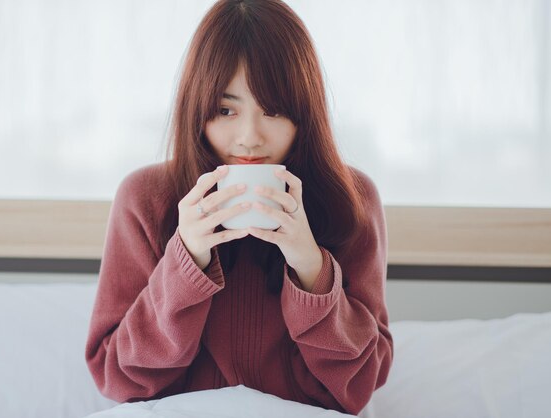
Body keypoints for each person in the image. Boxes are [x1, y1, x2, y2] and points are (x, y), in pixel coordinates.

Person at [85, 0, 393, 414]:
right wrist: (185, 262)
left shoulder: (351, 200)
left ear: (306, 113)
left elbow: (361, 384)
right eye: (226, 109)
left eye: (274, 109)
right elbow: (115, 375)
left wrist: (310, 267)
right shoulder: (145, 198)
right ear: (198, 110)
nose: (250, 137)